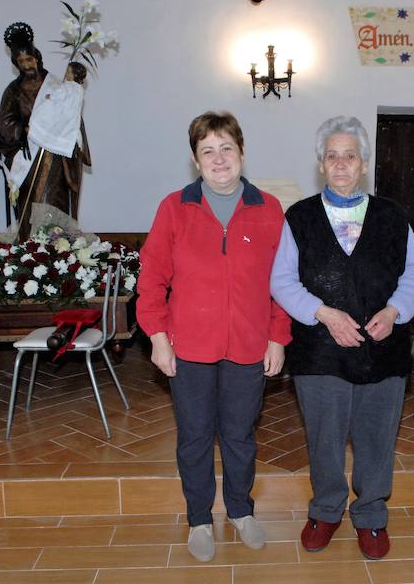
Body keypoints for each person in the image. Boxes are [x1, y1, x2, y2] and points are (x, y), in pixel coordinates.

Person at [136, 111, 291, 563]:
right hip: (189, 348)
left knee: (241, 435)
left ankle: (241, 512)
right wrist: (158, 338)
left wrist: (277, 336)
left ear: (241, 153)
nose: (218, 158)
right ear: (195, 159)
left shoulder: (269, 210)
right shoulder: (174, 207)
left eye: (226, 148)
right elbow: (151, 281)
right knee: (195, 436)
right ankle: (200, 518)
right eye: (208, 151)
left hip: (248, 344)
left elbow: (282, 280)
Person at [270, 116, 414, 560]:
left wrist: (395, 312)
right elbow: (282, 280)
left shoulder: (394, 217)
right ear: (321, 164)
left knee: (377, 437)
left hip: (384, 345)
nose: (341, 164)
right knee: (324, 437)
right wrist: (323, 314)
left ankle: (372, 515)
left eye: (350, 156)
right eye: (332, 156)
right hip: (319, 349)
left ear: (364, 163)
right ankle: (325, 510)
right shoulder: (298, 217)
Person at [0, 22, 91, 241]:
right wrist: (25, 130)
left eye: (30, 59)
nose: (27, 65)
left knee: (55, 203)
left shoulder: (57, 87)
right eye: (21, 62)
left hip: (56, 161)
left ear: (37, 58)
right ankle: (33, 253)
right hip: (30, 158)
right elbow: (5, 122)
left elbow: (72, 119)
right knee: (32, 207)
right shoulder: (13, 91)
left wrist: (68, 133)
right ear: (16, 65)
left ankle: (58, 249)